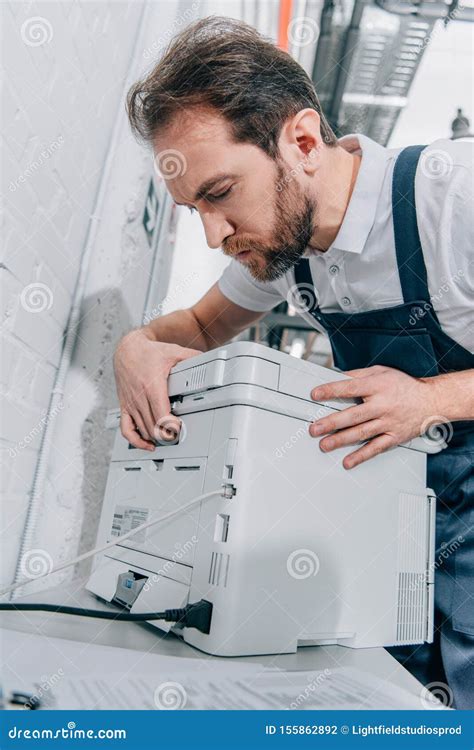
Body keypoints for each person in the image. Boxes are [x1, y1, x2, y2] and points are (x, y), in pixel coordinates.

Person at [114, 16, 474, 708]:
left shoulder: (451, 197)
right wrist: (135, 347)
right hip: (397, 524)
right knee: (389, 699)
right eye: (193, 211)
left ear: (303, 141)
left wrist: (430, 401)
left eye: (219, 194)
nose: (216, 234)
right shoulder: (287, 254)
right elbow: (192, 326)